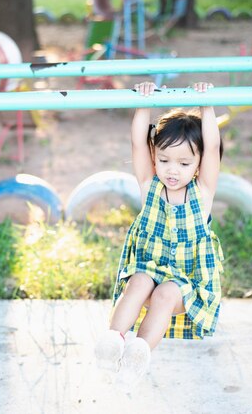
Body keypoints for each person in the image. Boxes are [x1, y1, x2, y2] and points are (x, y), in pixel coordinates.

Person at [95, 81, 224, 387]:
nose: (172, 170)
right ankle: (112, 342)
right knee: (139, 281)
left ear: (198, 164)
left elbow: (213, 146)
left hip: (186, 282)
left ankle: (137, 355)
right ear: (155, 158)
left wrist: (207, 102)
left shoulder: (202, 192)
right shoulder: (149, 186)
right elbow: (138, 143)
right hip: (149, 269)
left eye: (184, 163)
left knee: (165, 293)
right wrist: (144, 101)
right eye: (164, 160)